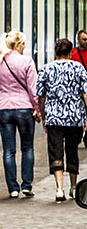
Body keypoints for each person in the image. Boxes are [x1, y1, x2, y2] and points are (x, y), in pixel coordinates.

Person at [35, 37, 87, 202]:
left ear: (56, 52)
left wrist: (43, 116)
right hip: (74, 117)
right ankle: (74, 186)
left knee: (55, 150)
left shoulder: (46, 69)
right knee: (72, 150)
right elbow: (85, 94)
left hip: (54, 117)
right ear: (71, 52)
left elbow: (41, 96)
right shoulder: (78, 68)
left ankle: (59, 188)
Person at [0, 31, 38, 198]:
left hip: (3, 108)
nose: (24, 47)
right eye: (23, 44)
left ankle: (13, 189)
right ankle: (26, 185)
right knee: (27, 148)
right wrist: (38, 109)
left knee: (8, 151)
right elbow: (33, 90)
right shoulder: (27, 61)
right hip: (24, 108)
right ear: (17, 45)